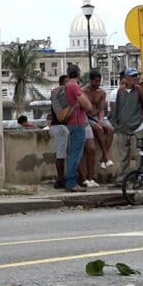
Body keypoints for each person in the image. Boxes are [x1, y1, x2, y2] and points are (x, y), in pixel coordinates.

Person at [63, 64, 94, 192]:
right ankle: (71, 182)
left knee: (73, 154)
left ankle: (72, 181)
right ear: (78, 74)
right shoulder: (74, 86)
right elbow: (88, 106)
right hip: (77, 123)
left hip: (70, 122)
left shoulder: (66, 86)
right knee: (76, 155)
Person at [110, 68, 143, 180]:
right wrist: (115, 125)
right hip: (122, 128)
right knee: (123, 156)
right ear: (126, 78)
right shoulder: (119, 92)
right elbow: (115, 110)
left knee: (139, 154)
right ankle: (124, 177)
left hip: (137, 127)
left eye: (136, 76)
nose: (135, 78)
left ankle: (140, 177)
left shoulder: (140, 91)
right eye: (132, 76)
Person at [84, 70, 114, 172]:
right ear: (91, 80)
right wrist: (98, 122)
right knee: (99, 129)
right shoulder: (83, 91)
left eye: (99, 81)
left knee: (110, 129)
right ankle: (106, 156)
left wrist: (100, 119)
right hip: (87, 117)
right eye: (96, 81)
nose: (98, 84)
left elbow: (101, 109)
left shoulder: (102, 93)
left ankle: (103, 159)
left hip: (97, 116)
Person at [48, 75, 69, 189]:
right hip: (59, 126)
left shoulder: (60, 94)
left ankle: (62, 178)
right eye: (66, 82)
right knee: (60, 155)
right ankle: (60, 179)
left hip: (61, 127)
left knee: (63, 155)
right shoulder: (58, 95)